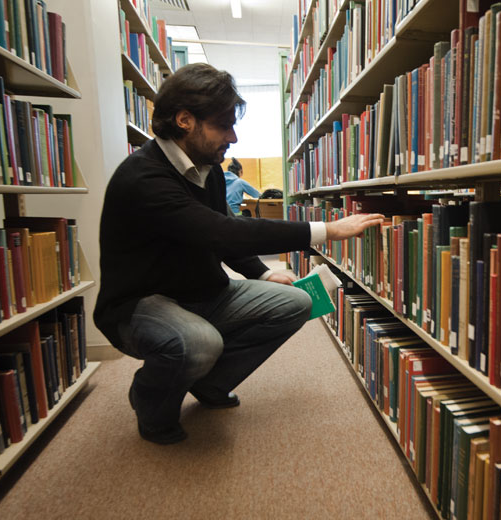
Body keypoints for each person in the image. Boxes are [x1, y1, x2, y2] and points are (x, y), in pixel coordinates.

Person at [94, 63, 383, 445]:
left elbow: (221, 232)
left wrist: (261, 274)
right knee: (198, 344)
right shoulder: (143, 178)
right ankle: (150, 403)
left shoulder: (207, 168)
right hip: (142, 305)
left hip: (204, 292)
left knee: (295, 302)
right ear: (184, 120)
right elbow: (219, 230)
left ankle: (211, 384)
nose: (232, 136)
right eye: (223, 125)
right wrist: (326, 230)